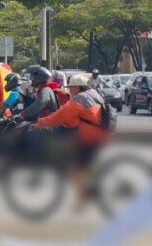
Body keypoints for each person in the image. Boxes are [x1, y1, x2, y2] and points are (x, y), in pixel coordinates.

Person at [34, 74, 110, 209]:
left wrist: (41, 122)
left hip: (88, 136)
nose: (69, 90)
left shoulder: (78, 100)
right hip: (97, 133)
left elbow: (59, 115)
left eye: (71, 88)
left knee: (72, 167)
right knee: (82, 166)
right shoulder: (92, 94)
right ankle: (89, 189)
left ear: (77, 87)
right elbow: (84, 115)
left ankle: (85, 195)